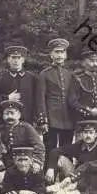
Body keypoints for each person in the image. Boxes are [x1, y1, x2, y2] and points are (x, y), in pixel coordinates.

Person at [0, 100, 45, 194]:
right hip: (6, 164)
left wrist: (36, 162)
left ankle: (8, 189)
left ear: (19, 115)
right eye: (6, 113)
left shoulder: (26, 128)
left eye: (12, 113)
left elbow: (39, 146)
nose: (9, 116)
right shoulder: (1, 129)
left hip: (23, 164)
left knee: (5, 181)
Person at [36, 38, 75, 166]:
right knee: (50, 149)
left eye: (62, 52)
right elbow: (40, 98)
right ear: (51, 54)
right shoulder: (44, 74)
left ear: (66, 55)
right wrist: (43, 120)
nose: (59, 55)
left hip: (68, 118)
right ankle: (49, 180)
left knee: (67, 150)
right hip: (52, 118)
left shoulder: (69, 74)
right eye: (56, 52)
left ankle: (65, 180)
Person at [45, 120, 97, 184]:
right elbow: (55, 151)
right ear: (82, 134)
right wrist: (51, 168)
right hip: (75, 176)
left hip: (91, 180)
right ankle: (50, 185)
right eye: (85, 132)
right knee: (61, 159)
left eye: (91, 133)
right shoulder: (79, 145)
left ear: (95, 135)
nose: (88, 136)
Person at [0, 45, 37, 124]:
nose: (16, 60)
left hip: (28, 120)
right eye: (13, 57)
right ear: (8, 59)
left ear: (23, 60)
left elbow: (38, 99)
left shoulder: (32, 78)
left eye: (19, 57)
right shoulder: (2, 79)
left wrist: (36, 118)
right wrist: (7, 97)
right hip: (9, 120)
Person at [68, 50, 97, 122]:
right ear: (83, 63)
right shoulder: (78, 79)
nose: (95, 64)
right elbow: (73, 102)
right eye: (92, 61)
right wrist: (89, 110)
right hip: (83, 120)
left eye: (96, 61)